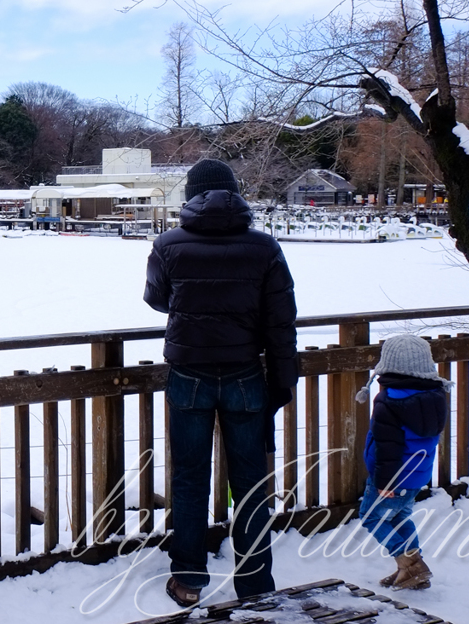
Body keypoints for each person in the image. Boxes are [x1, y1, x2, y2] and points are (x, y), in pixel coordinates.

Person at [143, 158, 298, 608]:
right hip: (246, 375)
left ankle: (188, 579)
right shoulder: (264, 248)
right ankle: (254, 585)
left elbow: (156, 299)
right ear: (235, 194)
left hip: (189, 373)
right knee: (251, 483)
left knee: (190, 480)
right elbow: (281, 320)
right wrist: (283, 382)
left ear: (191, 196)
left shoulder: (168, 244)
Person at [356, 334, 450, 591]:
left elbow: (389, 447)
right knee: (398, 517)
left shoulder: (390, 401)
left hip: (391, 475)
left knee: (371, 517)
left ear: (389, 364)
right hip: (417, 474)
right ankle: (409, 571)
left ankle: (411, 566)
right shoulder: (436, 394)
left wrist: (385, 481)